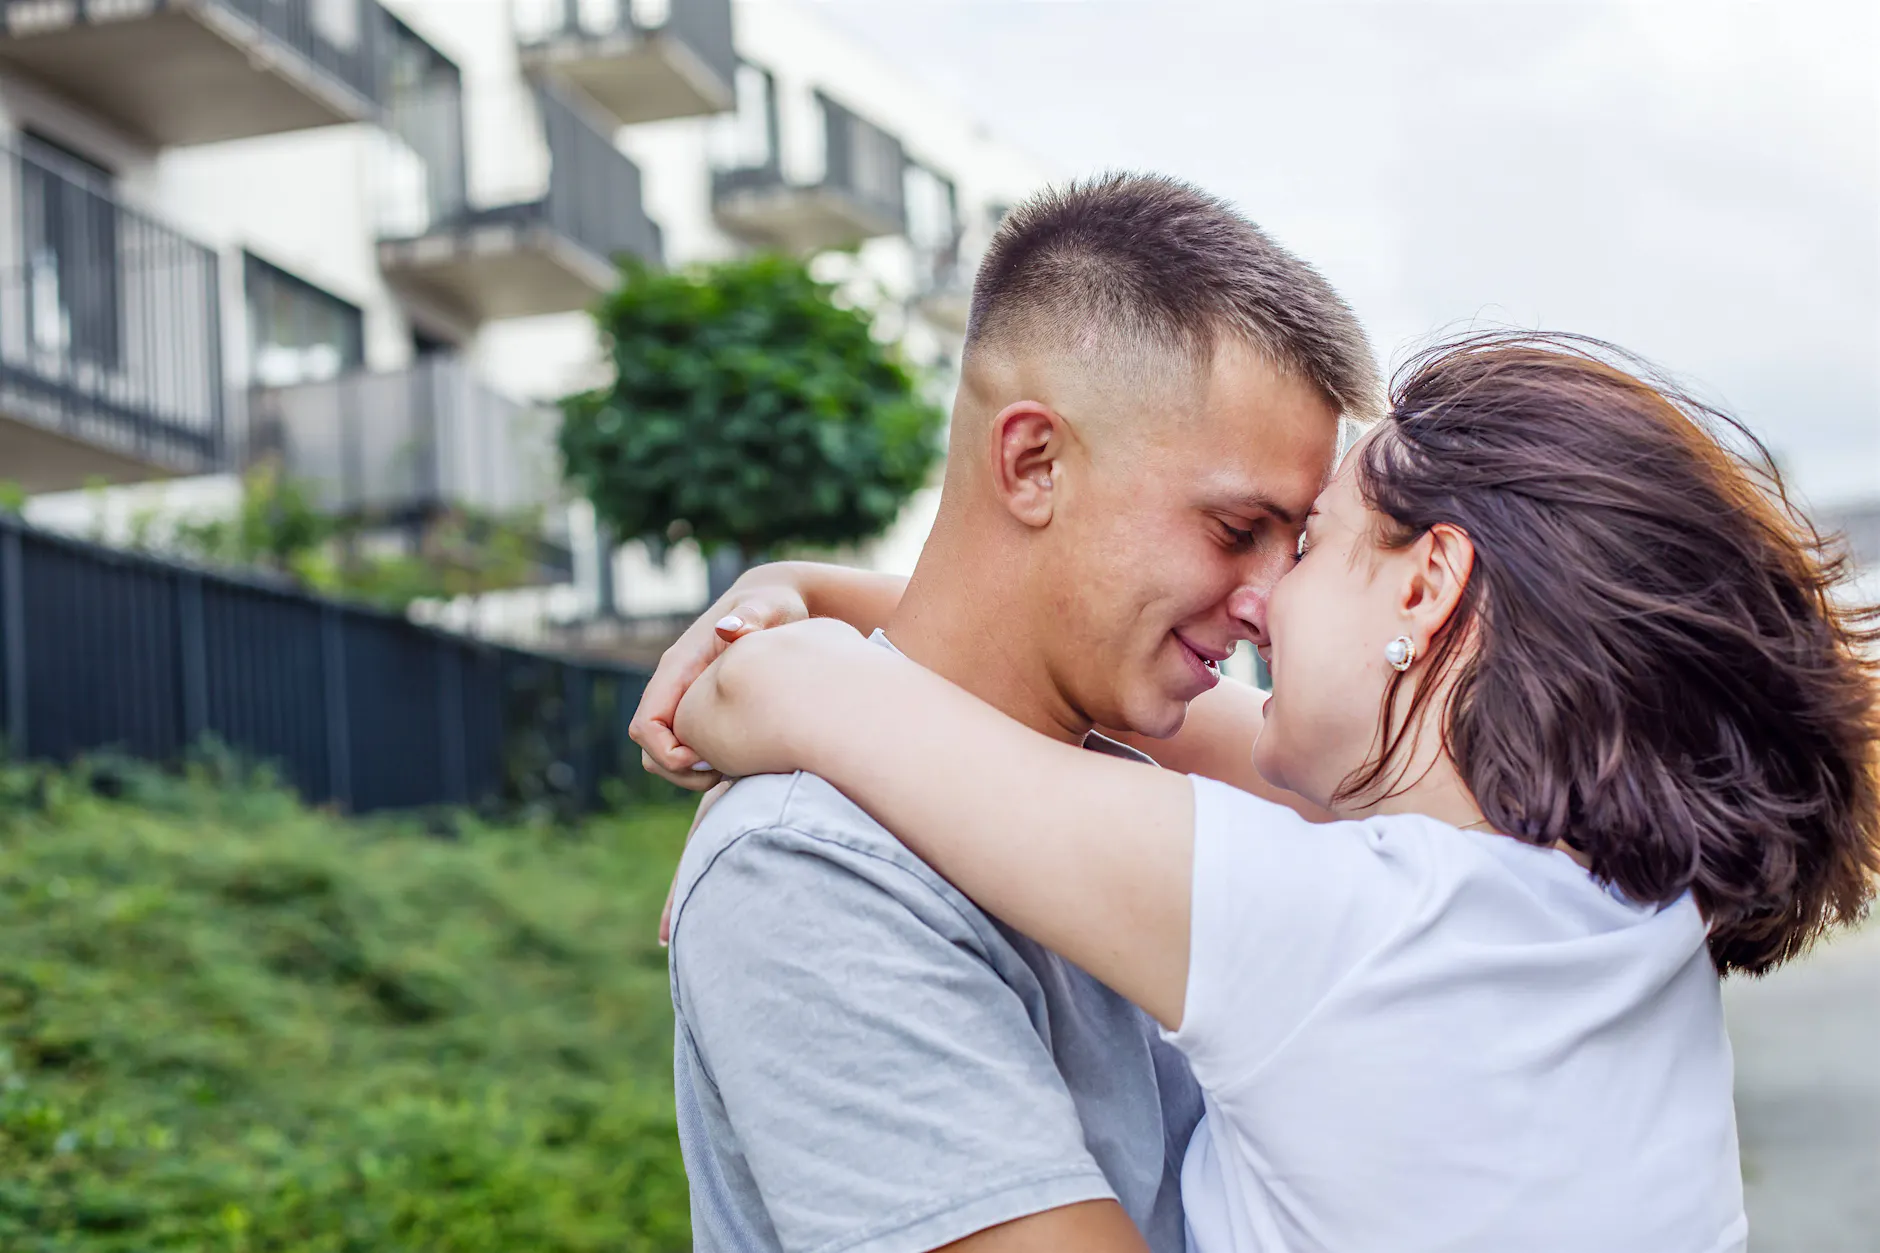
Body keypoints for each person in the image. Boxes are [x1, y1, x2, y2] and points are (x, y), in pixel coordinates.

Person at [664, 334, 1880, 1253]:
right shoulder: (1601, 901)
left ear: (1422, 591)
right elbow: (1189, 721)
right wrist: (814, 588)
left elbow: (783, 692)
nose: (1258, 602)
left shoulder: (1344, 927)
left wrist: (760, 669)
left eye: (1304, 545)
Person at [647, 173, 1383, 1253]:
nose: (1270, 607)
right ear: (1032, 462)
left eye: (1298, 544)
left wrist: (807, 593)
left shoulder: (1137, 777)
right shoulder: (810, 867)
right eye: (1235, 529)